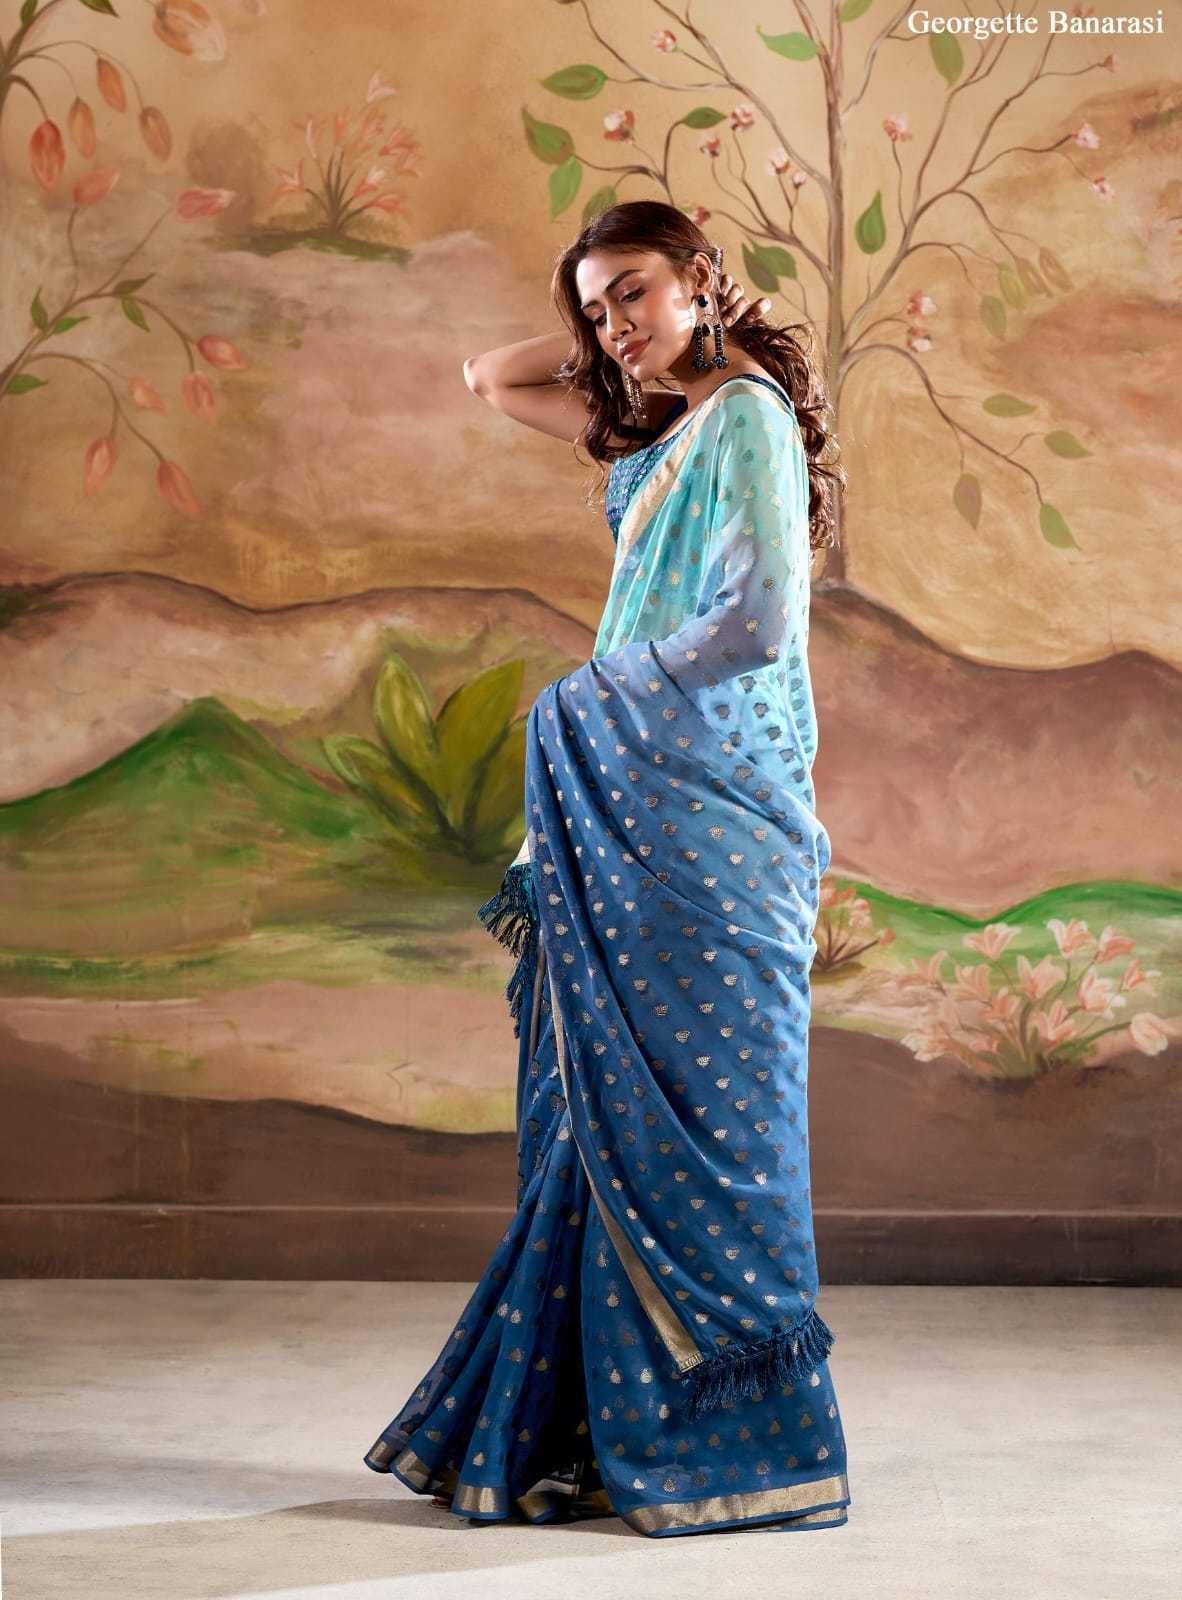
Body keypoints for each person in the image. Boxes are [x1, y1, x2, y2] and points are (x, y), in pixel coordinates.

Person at [363, 200, 852, 1537]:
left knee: (713, 1127)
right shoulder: (664, 428)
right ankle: (594, 1435)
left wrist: (590, 694)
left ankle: (740, 1451)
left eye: (633, 292)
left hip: (709, 813)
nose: (613, 328)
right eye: (594, 310)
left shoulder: (743, 417)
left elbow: (760, 622)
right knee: (598, 1122)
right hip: (635, 798)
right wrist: (619, 331)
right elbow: (490, 377)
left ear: (702, 277)